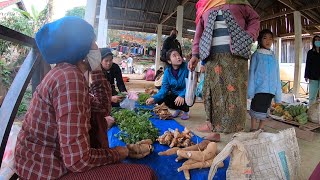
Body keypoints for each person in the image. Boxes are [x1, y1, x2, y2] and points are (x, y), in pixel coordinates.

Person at [14, 17, 156, 180]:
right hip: (47, 171)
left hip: (53, 162)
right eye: (93, 42)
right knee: (146, 175)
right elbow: (78, 160)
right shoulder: (69, 78)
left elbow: (103, 107)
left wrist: (95, 69)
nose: (96, 47)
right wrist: (120, 152)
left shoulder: (67, 73)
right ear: (81, 49)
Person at [188, 0, 260, 138]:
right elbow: (199, 32)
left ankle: (236, 127)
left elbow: (254, 19)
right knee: (211, 90)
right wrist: (195, 55)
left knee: (235, 92)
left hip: (236, 57)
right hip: (211, 56)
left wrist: (250, 36)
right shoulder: (205, 5)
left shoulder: (240, 2)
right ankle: (212, 124)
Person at [248, 29, 282, 131]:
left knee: (265, 110)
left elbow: (277, 74)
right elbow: (252, 73)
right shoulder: (256, 55)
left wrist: (277, 93)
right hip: (259, 88)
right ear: (260, 40)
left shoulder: (273, 56)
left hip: (270, 90)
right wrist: (251, 91)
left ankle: (261, 129)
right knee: (255, 109)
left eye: (270, 38)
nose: (268, 41)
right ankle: (253, 129)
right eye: (265, 38)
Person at [146, 49, 190, 120]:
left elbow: (190, 85)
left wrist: (182, 95)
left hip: (187, 92)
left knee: (187, 96)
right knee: (162, 98)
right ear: (169, 61)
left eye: (178, 55)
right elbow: (164, 88)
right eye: (174, 56)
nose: (178, 57)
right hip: (175, 94)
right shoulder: (167, 72)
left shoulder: (187, 67)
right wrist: (154, 98)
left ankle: (186, 111)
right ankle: (178, 109)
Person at [304, 35, 320, 105]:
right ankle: (311, 109)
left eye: (318, 40)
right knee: (312, 96)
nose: (317, 41)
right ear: (313, 42)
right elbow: (308, 64)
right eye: (316, 40)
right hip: (313, 76)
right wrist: (306, 75)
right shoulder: (310, 52)